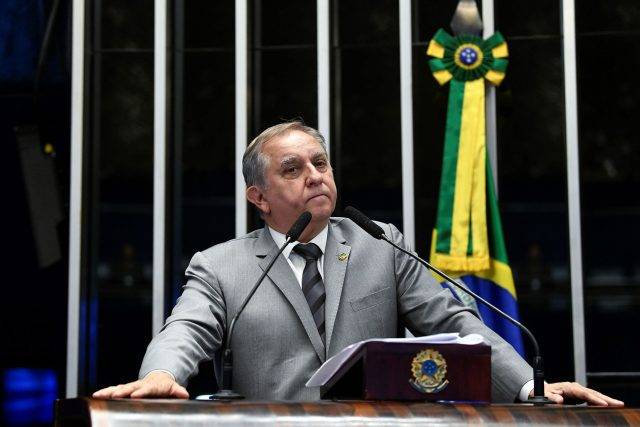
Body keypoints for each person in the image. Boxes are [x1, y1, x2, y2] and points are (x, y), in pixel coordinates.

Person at [94, 122, 623, 406]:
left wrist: (531, 388)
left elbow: (456, 323)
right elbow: (186, 329)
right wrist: (161, 374)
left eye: (320, 162)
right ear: (259, 197)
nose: (314, 175)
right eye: (292, 168)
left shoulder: (380, 244)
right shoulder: (221, 266)